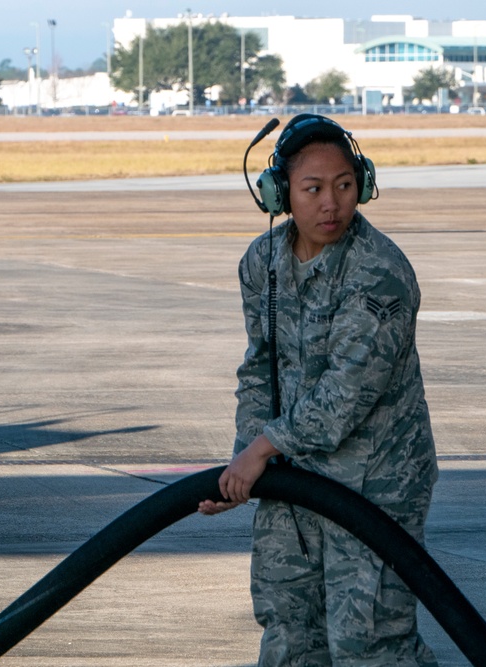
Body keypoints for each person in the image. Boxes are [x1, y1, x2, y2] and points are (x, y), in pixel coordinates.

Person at [198, 114, 439, 666]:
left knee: (368, 643)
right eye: (312, 189)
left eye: (345, 186)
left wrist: (260, 453)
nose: (331, 204)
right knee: (289, 632)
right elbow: (260, 368)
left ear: (364, 185)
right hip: (293, 477)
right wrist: (243, 465)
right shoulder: (263, 262)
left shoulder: (380, 272)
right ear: (280, 194)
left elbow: (344, 395)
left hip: (376, 484)